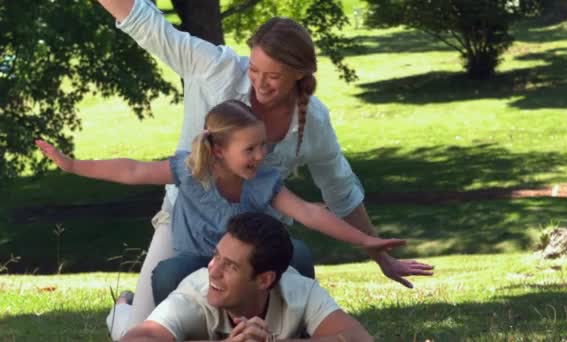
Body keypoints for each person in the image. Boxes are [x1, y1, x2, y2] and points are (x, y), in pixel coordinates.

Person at [91, 0, 434, 338]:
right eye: (254, 70)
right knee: (134, 334)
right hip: (188, 220)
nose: (260, 82)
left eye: (274, 76)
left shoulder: (313, 121)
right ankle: (123, 308)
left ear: (300, 73)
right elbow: (151, 27)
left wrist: (377, 252)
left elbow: (340, 189)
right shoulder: (215, 69)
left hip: (257, 233)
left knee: (292, 268)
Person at [121, 212, 375, 342]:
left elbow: (359, 338)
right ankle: (123, 305)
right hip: (160, 305)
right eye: (216, 255)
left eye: (230, 266)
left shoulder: (300, 291)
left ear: (265, 280)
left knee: (300, 254)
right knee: (123, 324)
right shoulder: (193, 295)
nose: (214, 269)